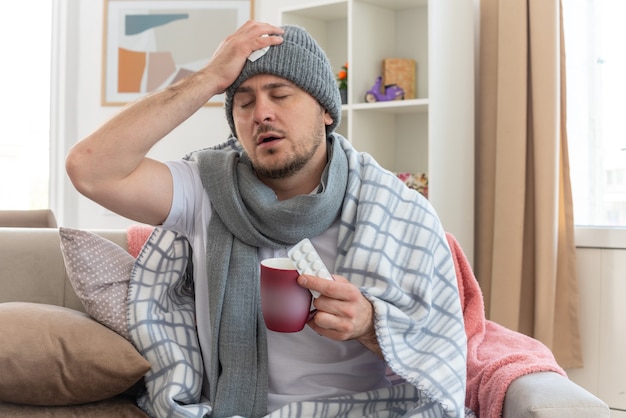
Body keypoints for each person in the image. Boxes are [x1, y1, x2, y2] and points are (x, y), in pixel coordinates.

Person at [66, 20, 468, 418]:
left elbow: (440, 355)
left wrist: (368, 324)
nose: (261, 114)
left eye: (280, 95)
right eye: (243, 102)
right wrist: (207, 79)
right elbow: (90, 169)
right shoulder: (206, 189)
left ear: (326, 111)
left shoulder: (393, 209)